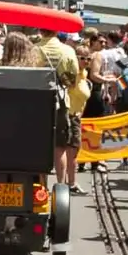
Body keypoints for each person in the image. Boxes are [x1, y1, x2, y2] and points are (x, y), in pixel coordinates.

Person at [36, 27, 86, 193]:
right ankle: (61, 185)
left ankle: (41, 186)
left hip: (38, 102)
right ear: (57, 32)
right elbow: (72, 79)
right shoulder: (67, 50)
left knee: (39, 146)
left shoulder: (34, 49)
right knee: (60, 147)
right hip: (60, 102)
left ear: (40, 31)